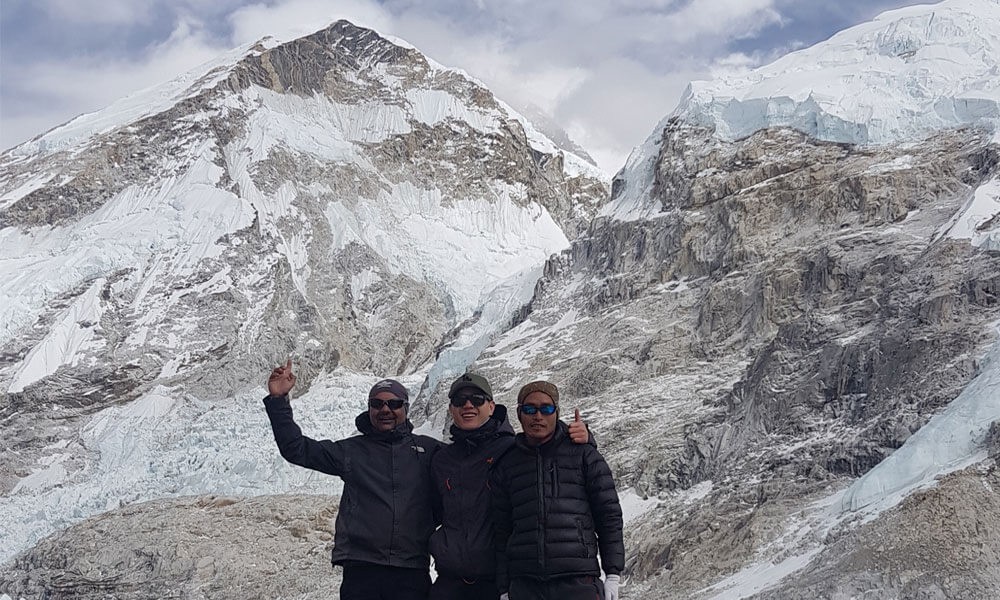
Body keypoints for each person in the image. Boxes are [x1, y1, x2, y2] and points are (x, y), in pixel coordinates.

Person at [263, 360, 440, 600]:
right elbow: (297, 449)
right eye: (377, 404)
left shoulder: (429, 451)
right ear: (369, 409)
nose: (385, 409)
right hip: (362, 569)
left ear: (406, 408)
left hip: (410, 570)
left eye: (394, 403)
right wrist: (278, 402)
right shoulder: (351, 451)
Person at [428, 373, 590, 600]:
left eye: (476, 399)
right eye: (459, 401)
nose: (468, 405)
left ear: (492, 406)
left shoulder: (512, 449)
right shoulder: (441, 459)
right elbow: (431, 511)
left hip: (499, 582)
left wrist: (582, 435)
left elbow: (545, 440)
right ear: (451, 409)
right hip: (449, 582)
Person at [491, 380, 624, 600]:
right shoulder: (508, 464)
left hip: (578, 582)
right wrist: (504, 587)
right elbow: (502, 530)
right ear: (519, 413)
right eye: (530, 409)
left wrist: (613, 573)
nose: (538, 416)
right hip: (526, 585)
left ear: (557, 412)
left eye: (546, 408)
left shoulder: (584, 455)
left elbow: (608, 515)